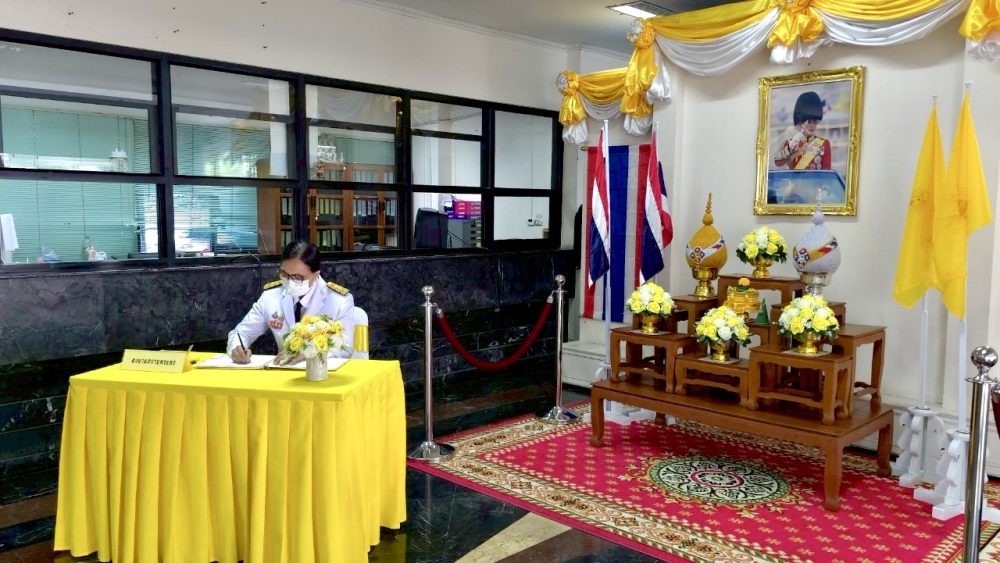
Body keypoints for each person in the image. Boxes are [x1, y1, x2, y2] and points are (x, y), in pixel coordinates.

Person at [228, 240, 356, 363]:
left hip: (321, 372)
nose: (289, 282)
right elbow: (241, 332)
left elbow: (345, 349)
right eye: (284, 274)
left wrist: (307, 353)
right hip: (282, 371)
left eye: (297, 277)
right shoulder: (271, 296)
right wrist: (237, 347)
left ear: (316, 275)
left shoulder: (339, 301)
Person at [773, 91, 832, 171]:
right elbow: (777, 162)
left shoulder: (824, 144)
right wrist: (790, 149)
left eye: (815, 121)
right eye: (809, 121)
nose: (812, 125)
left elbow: (827, 174)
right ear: (800, 122)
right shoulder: (790, 143)